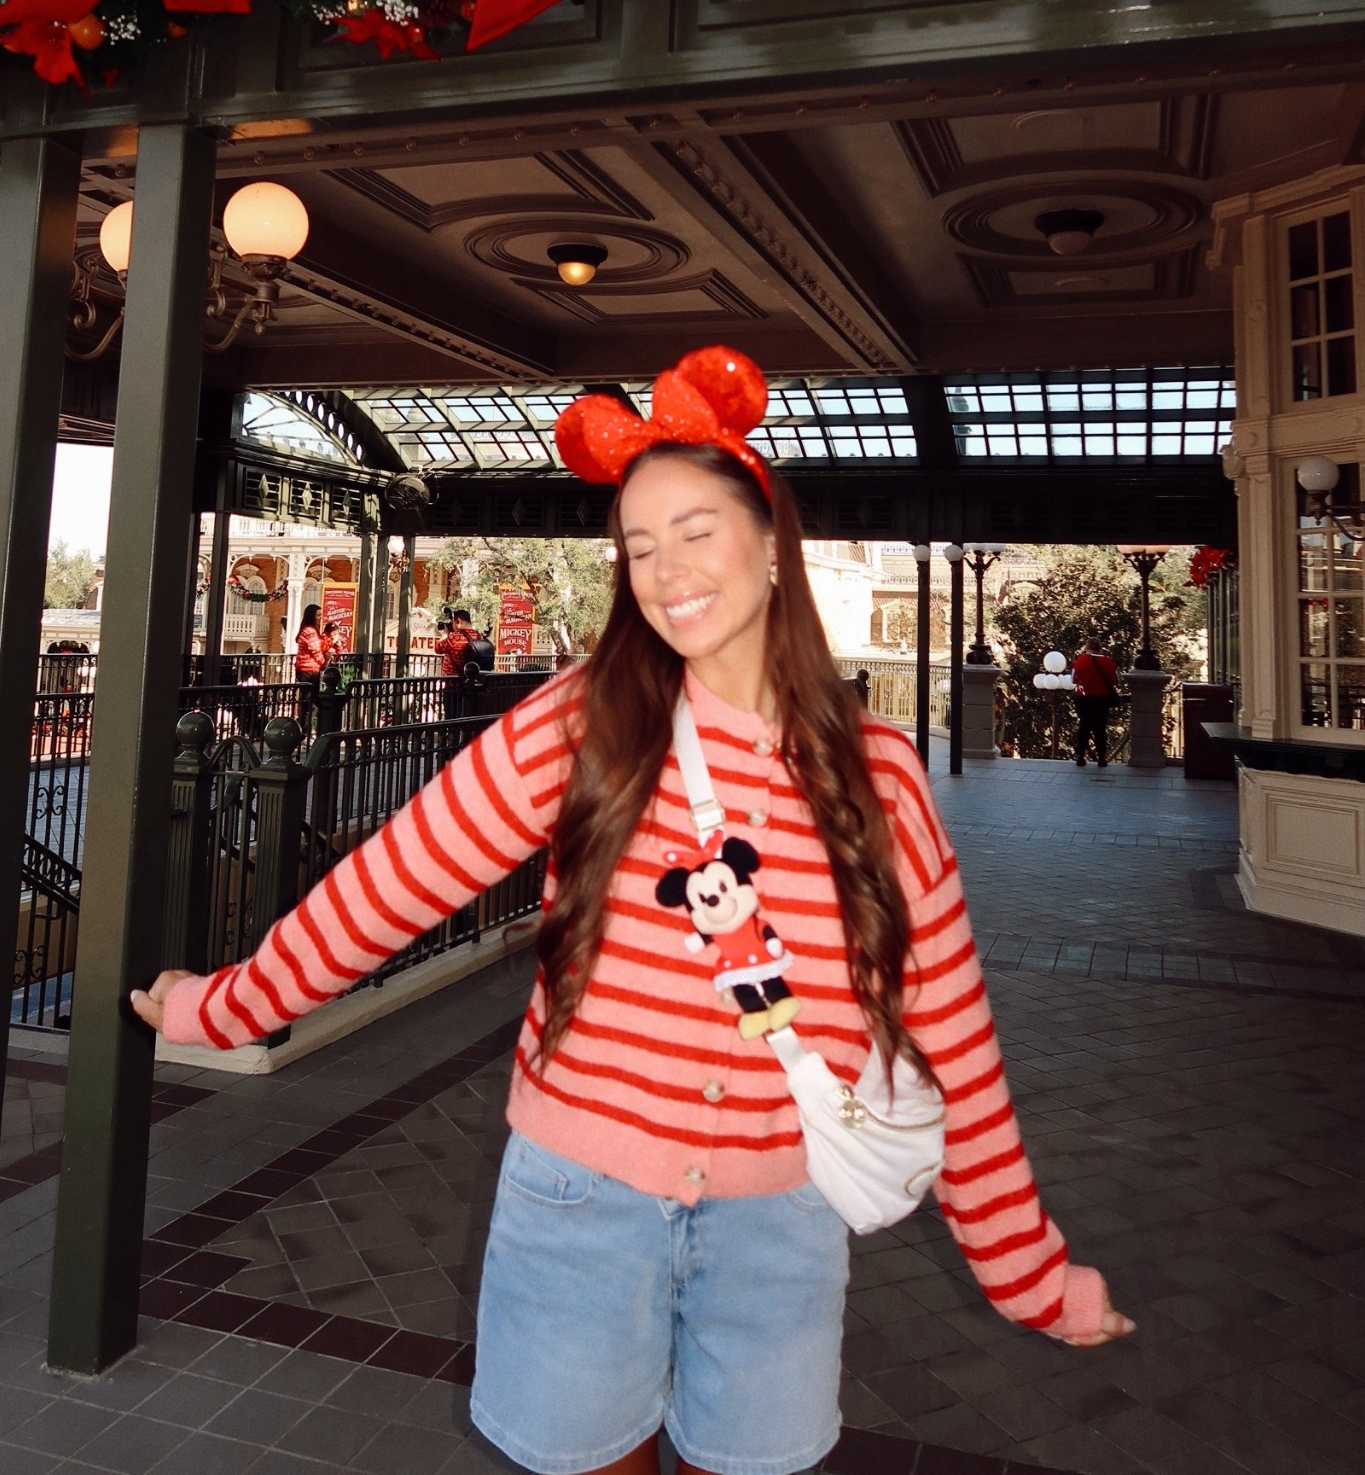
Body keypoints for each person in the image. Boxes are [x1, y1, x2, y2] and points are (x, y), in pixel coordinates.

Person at [133, 347, 1132, 1475]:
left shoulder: (879, 773)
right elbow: (390, 883)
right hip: (580, 1208)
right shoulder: (578, 723)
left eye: (695, 529)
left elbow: (946, 1030)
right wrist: (224, 1004)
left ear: (770, 539)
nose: (664, 570)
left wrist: (1028, 1272)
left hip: (781, 1221)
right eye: (639, 546)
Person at [1072, 633, 1120, 768]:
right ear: (1100, 648)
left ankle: (1080, 756)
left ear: (1087, 648)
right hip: (1102, 698)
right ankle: (1102, 758)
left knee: (1084, 727)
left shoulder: (1080, 660)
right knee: (1100, 728)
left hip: (1084, 698)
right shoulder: (1108, 661)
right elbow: (1114, 680)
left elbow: (1073, 679)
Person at [435, 605, 480, 717]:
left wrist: (444, 634)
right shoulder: (478, 635)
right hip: (472, 684)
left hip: (453, 684)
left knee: (452, 716)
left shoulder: (454, 638)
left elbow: (438, 648)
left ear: (458, 621)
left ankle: (451, 734)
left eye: (452, 622)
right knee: (467, 715)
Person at [293, 603, 330, 704]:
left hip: (305, 669)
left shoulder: (309, 630)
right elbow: (315, 650)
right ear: (311, 616)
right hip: (309, 670)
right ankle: (306, 719)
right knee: (310, 700)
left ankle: (305, 718)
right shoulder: (310, 631)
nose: (320, 618)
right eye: (318, 615)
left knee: (306, 699)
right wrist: (324, 663)